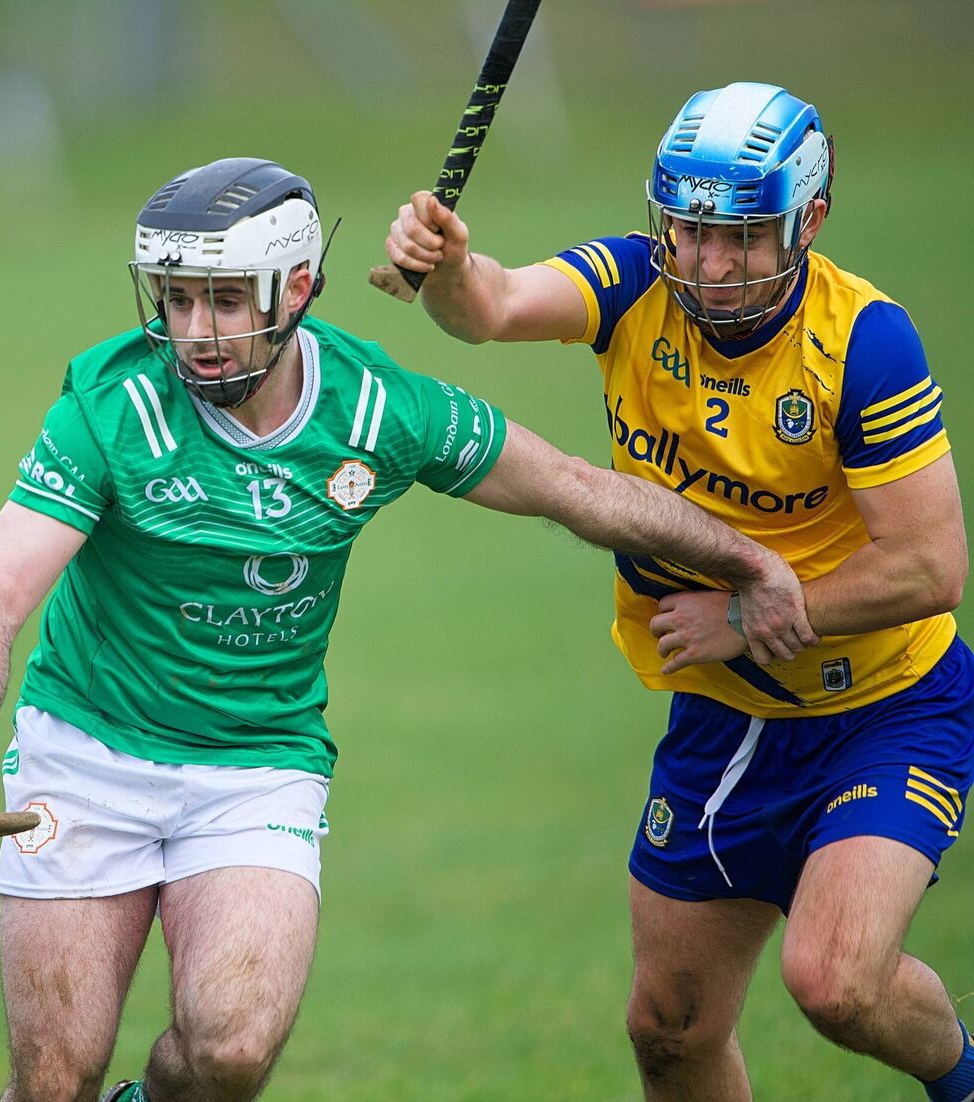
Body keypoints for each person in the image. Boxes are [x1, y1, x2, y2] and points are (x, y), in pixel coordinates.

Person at [0, 156, 810, 1102]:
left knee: (228, 1054)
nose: (195, 333)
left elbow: (576, 490)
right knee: (53, 1081)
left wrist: (748, 561)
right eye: (177, 300)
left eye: (224, 300)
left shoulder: (379, 409)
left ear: (297, 287)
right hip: (87, 753)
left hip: (255, 765)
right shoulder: (110, 407)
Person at [386, 82, 974, 1101]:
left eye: (738, 238)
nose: (704, 264)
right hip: (726, 720)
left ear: (810, 219)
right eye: (687, 229)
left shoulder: (866, 344)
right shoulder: (631, 282)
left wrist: (745, 617)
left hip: (890, 709)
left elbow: (931, 568)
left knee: (835, 982)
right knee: (668, 1028)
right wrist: (447, 265)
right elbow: (488, 308)